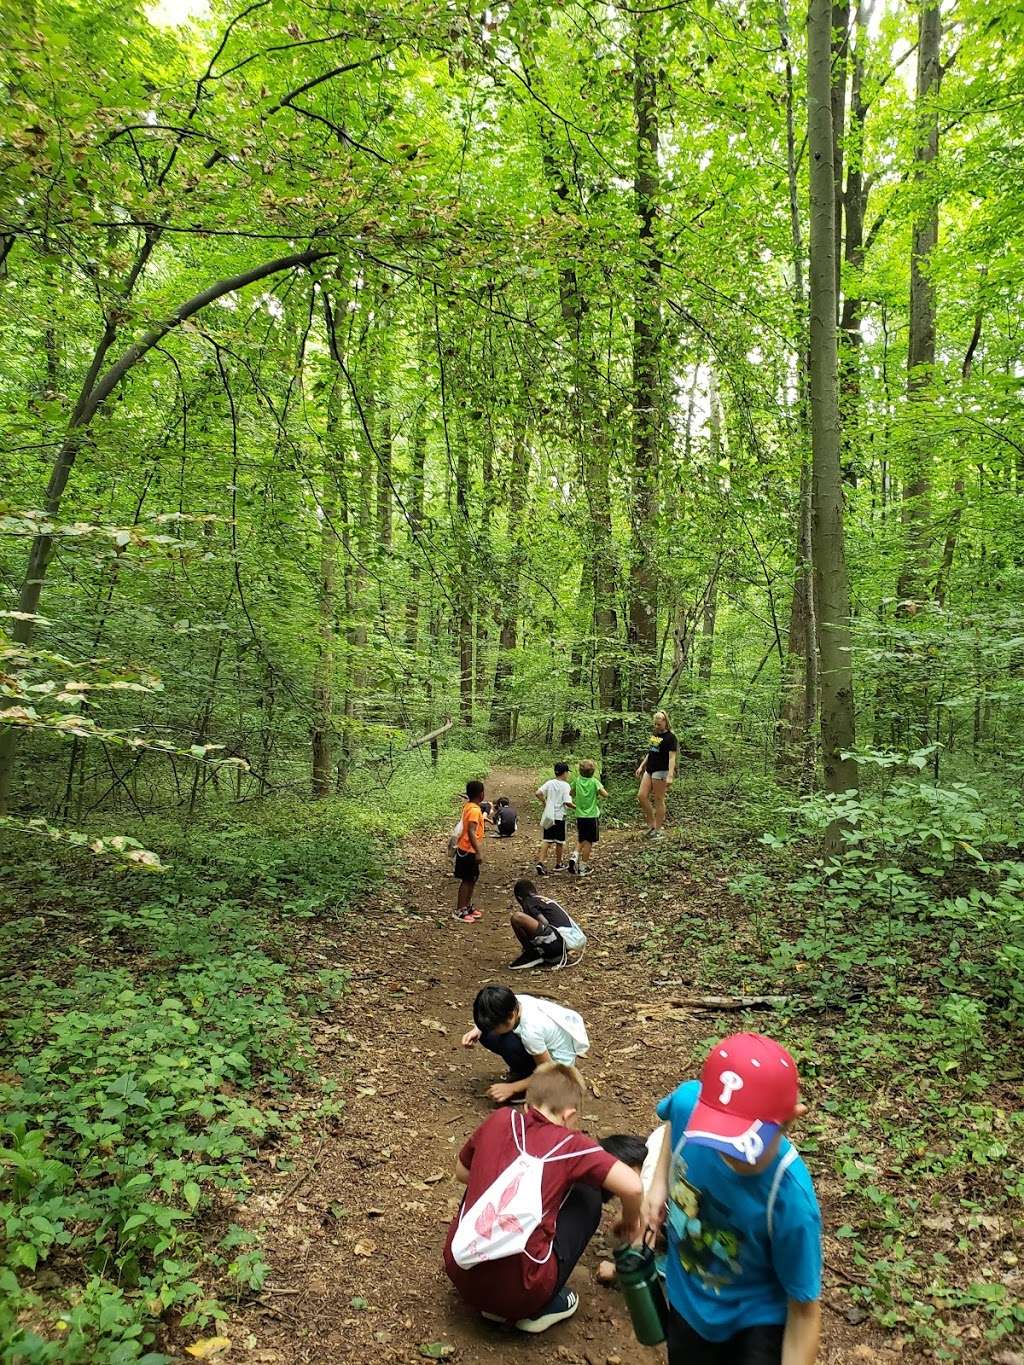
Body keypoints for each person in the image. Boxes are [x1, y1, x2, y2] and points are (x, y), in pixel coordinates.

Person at [643, 1033, 822, 1365]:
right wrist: (657, 1186)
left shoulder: (791, 1203)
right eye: (719, 1134)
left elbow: (804, 1311)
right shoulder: (689, 1105)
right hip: (688, 1303)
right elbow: (673, 1122)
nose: (728, 1150)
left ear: (791, 1118)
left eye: (744, 1142)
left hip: (754, 1321)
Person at [443, 1062, 643, 1333]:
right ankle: (540, 1307)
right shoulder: (571, 1145)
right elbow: (632, 1187)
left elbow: (462, 1172)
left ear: (527, 1105)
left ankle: (491, 1287)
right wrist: (631, 1221)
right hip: (522, 1293)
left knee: (486, 1174)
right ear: (569, 1115)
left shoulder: (499, 1119)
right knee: (588, 1194)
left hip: (460, 1270)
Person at [462, 985, 590, 1104]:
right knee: (486, 1034)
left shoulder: (531, 1031)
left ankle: (526, 1084)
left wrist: (512, 1088)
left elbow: (548, 1071)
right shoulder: (515, 1002)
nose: (491, 1029)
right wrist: (478, 1029)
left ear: (511, 1015)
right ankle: (524, 1072)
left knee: (506, 1042)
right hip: (544, 1052)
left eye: (494, 1026)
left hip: (559, 1071)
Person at [507, 879, 587, 971]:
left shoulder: (528, 901)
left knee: (517, 917)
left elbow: (544, 922)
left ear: (519, 898)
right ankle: (551, 955)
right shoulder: (543, 900)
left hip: (557, 942)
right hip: (566, 943)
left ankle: (531, 954)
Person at [636, 709, 678, 837]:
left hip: (662, 770)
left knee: (658, 799)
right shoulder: (655, 735)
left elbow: (672, 757)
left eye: (659, 724)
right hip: (650, 769)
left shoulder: (671, 737)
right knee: (641, 796)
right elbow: (651, 752)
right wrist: (641, 766)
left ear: (665, 722)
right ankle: (651, 825)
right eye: (655, 724)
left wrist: (670, 775)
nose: (657, 726)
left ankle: (658, 830)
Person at [568, 759, 608, 877]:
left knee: (581, 838)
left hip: (580, 816)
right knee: (589, 842)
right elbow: (605, 794)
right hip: (591, 816)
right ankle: (583, 868)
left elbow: (570, 793)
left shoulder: (577, 781)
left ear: (580, 771)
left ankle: (574, 856)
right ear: (593, 771)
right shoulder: (594, 782)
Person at [453, 778, 486, 923]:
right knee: (467, 880)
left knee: (472, 878)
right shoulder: (474, 810)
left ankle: (466, 906)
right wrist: (478, 851)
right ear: (481, 794)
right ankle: (460, 909)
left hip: (467, 848)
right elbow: (471, 831)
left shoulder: (469, 806)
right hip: (468, 849)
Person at [536, 761, 574, 874]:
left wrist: (545, 802)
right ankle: (558, 863)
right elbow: (567, 802)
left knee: (547, 840)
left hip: (549, 815)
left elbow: (538, 793)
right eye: (567, 772)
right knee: (559, 842)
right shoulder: (566, 785)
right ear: (565, 773)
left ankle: (540, 862)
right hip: (560, 816)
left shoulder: (550, 783)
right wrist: (577, 807)